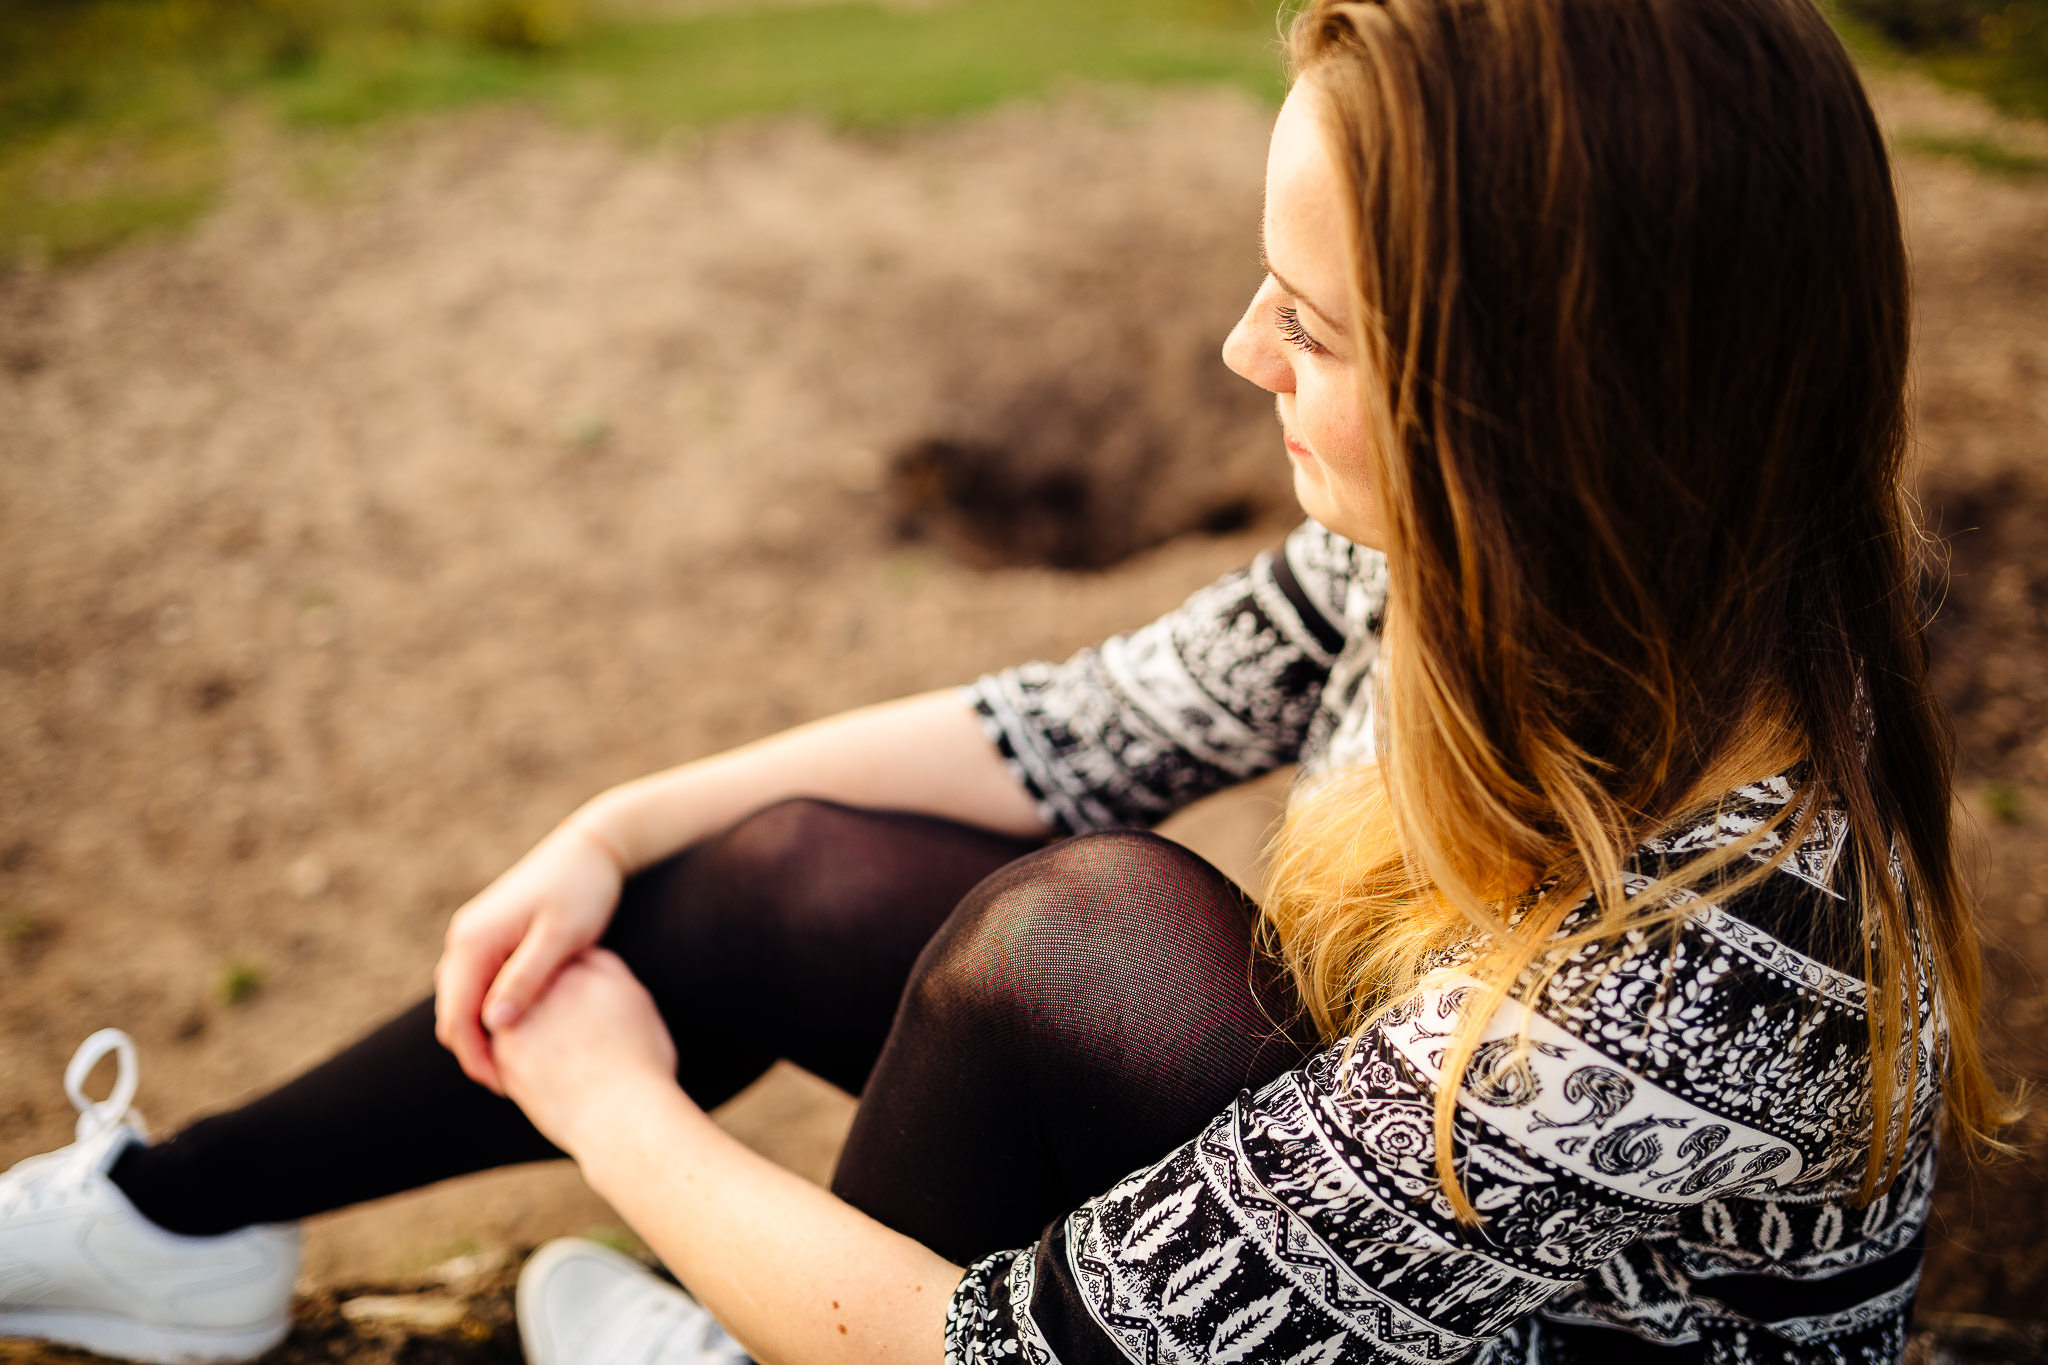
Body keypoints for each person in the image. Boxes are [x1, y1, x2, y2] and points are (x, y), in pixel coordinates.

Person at [0, 0, 2013, 1361]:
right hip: (1383, 1247)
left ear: (1536, 407)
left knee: (1087, 931)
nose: (1238, 355)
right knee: (803, 863)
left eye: (1308, 323)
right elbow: (1060, 732)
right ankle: (177, 1223)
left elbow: (1001, 1351)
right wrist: (609, 830)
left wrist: (606, 1102)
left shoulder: (1719, 967)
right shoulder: (1513, 585)